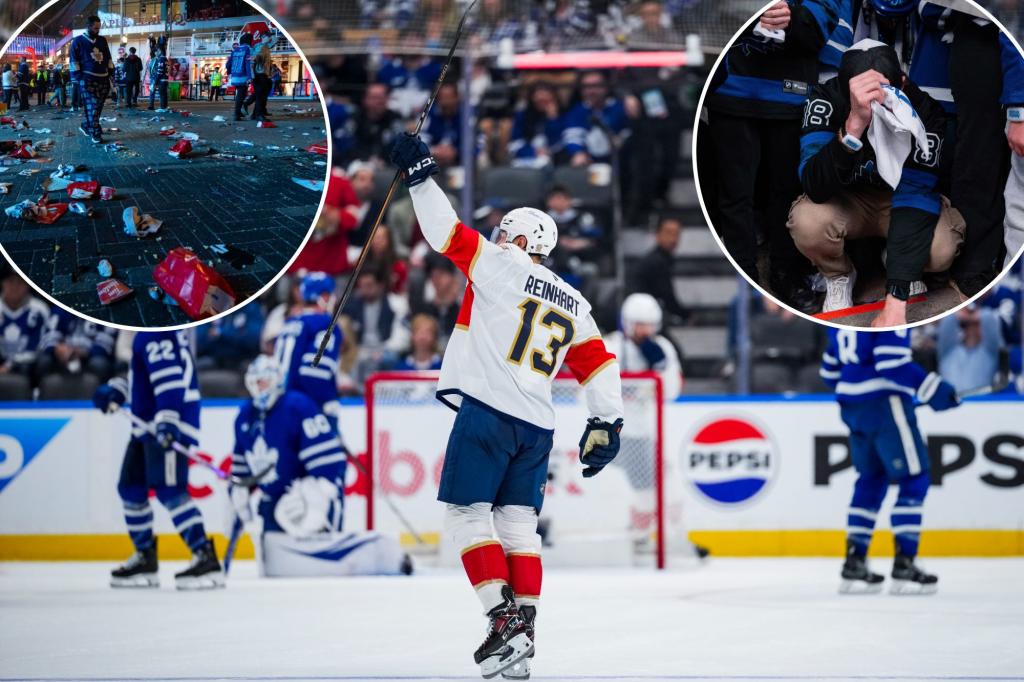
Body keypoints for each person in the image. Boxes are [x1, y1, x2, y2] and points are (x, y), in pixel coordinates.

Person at [390, 131, 625, 678]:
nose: (497, 237)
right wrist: (606, 421)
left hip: (490, 411)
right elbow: (599, 365)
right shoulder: (575, 300)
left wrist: (422, 177)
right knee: (519, 527)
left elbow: (447, 234)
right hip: (537, 427)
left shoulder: (500, 264)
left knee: (466, 514)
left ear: (517, 240)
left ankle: (503, 621)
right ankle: (525, 634)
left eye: (503, 232)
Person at [788, 39, 965, 325]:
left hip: (900, 200)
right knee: (807, 222)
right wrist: (853, 126)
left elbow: (916, 194)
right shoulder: (826, 97)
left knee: (940, 249)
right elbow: (814, 185)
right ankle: (839, 274)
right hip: (846, 200)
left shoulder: (925, 109)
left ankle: (896, 261)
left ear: (903, 83)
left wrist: (898, 289)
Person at [706, 0, 840, 313]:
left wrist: (794, 18)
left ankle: (786, 274)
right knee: (735, 193)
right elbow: (704, 12)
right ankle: (745, 276)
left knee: (786, 191)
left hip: (790, 92)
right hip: (732, 89)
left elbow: (827, 14)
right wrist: (748, 11)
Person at [230, 355, 410, 577]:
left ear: (277, 380)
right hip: (274, 499)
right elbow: (241, 469)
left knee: (318, 552)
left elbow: (329, 464)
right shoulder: (244, 416)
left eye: (264, 381)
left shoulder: (297, 406)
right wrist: (238, 491)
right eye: (256, 382)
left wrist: (317, 496)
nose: (260, 388)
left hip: (304, 495)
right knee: (276, 564)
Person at [819, 329, 960, 594]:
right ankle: (905, 562)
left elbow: (828, 374)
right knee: (914, 478)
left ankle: (854, 561)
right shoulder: (891, 307)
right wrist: (935, 389)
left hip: (852, 406)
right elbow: (890, 363)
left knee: (870, 480)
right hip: (885, 403)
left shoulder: (842, 314)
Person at [91, 330, 224, 590]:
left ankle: (205, 557)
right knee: (131, 489)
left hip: (163, 425)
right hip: (148, 427)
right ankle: (145, 557)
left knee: (170, 491)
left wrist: (168, 421)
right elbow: (145, 380)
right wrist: (116, 391)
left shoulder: (156, 332)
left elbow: (170, 381)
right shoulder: (150, 333)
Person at [273, 272, 343, 420]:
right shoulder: (325, 324)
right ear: (324, 297)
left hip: (280, 402)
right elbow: (314, 372)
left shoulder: (290, 322)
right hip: (306, 405)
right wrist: (325, 403)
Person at [603, 293, 683, 400]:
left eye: (650, 325)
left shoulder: (663, 346)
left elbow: (672, 391)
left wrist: (661, 367)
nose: (646, 331)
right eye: (640, 325)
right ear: (628, 324)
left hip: (651, 412)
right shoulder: (610, 346)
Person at [631, 217, 688, 325]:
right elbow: (667, 295)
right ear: (657, 235)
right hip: (640, 315)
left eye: (676, 234)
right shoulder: (657, 261)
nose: (673, 238)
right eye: (668, 233)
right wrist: (685, 315)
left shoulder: (662, 259)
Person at [936, 306, 1003, 394]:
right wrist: (960, 313)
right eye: (967, 325)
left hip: (981, 405)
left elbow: (989, 319)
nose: (972, 329)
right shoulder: (948, 350)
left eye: (977, 324)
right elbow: (947, 322)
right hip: (951, 403)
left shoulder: (990, 352)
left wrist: (973, 316)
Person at [37, 307, 116, 379]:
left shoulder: (105, 309)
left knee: (99, 364)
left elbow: (106, 343)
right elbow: (48, 337)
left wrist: (84, 352)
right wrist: (56, 348)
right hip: (62, 354)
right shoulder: (60, 308)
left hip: (89, 356)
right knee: (44, 361)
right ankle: (37, 393)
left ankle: (99, 394)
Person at [69, 16, 113, 144]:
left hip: (103, 79)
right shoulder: (78, 41)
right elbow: (74, 61)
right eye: (95, 28)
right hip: (87, 79)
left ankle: (87, 125)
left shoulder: (102, 40)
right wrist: (78, 79)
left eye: (99, 28)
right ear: (88, 26)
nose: (97, 31)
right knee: (92, 106)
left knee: (98, 107)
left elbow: (108, 57)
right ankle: (96, 133)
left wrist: (111, 72)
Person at [0, 271, 49, 381]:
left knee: (43, 361)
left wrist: (9, 366)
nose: (14, 287)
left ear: (27, 285)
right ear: (2, 283)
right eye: (10, 282)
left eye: (20, 282)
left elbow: (37, 348)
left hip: (28, 366)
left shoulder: (39, 310)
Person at [508, 81, 567, 167]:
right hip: (527, 158)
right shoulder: (523, 116)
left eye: (545, 101)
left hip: (555, 161)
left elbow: (559, 143)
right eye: (538, 100)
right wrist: (532, 151)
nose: (541, 103)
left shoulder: (564, 116)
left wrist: (552, 119)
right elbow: (514, 144)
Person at [226, 33, 254, 121]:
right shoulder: (248, 49)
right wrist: (250, 77)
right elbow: (248, 64)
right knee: (241, 95)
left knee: (240, 94)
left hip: (235, 75)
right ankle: (236, 113)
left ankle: (238, 113)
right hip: (243, 75)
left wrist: (231, 72)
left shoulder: (235, 50)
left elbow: (228, 64)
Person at [147, 45, 168, 111]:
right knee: (163, 93)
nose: (156, 53)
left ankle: (162, 107)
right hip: (163, 78)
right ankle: (164, 107)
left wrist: (155, 80)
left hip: (159, 78)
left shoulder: (160, 59)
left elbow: (159, 71)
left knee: (161, 93)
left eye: (157, 51)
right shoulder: (164, 58)